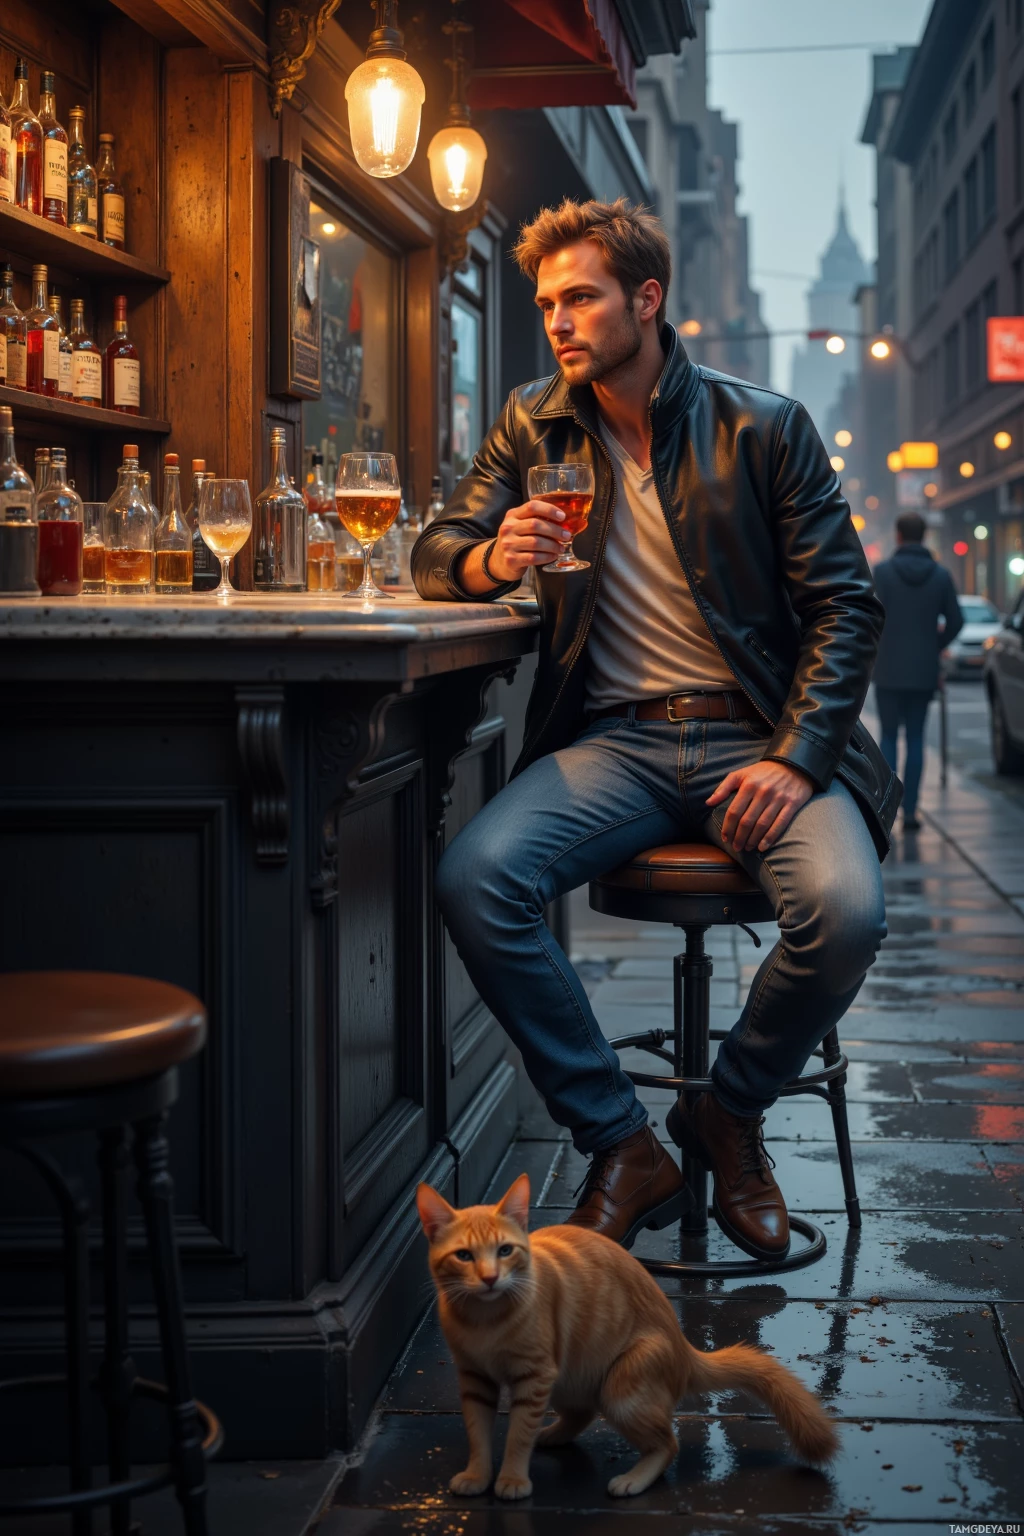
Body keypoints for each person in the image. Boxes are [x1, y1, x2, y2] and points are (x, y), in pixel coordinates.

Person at [413, 198, 900, 1262]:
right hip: (618, 745)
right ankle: (622, 1143)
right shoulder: (533, 422)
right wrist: (493, 557)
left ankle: (728, 1112)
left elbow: (846, 608)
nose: (558, 321)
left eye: (580, 297)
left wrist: (795, 759)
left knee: (847, 912)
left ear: (646, 299)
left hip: (759, 735)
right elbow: (437, 546)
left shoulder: (762, 426)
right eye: (546, 302)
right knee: (475, 879)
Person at [871, 512, 963, 832]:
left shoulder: (882, 573)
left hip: (888, 668)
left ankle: (887, 810)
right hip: (923, 670)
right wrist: (934, 645)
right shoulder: (940, 575)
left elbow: (868, 616)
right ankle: (910, 812)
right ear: (923, 536)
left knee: (888, 736)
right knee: (915, 738)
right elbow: (956, 620)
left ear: (898, 535)